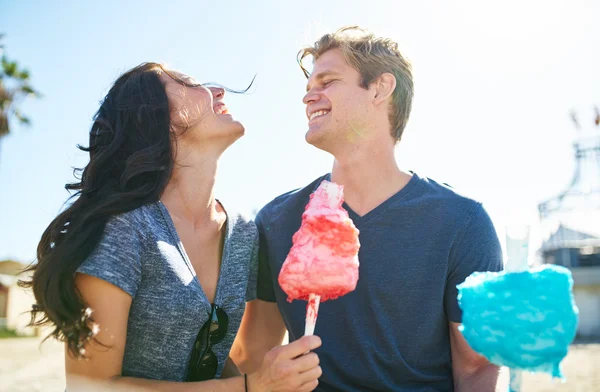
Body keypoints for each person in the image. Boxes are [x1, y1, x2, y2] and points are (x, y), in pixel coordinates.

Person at [231, 27, 504, 391]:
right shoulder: (277, 221)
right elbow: (251, 355)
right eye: (309, 86)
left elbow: (477, 369)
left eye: (327, 81)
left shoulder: (462, 223)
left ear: (380, 88)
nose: (309, 97)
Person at [21, 62, 321, 392]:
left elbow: (209, 361)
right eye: (188, 84)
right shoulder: (123, 230)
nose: (217, 91)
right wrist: (250, 387)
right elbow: (89, 387)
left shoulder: (243, 234)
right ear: (157, 118)